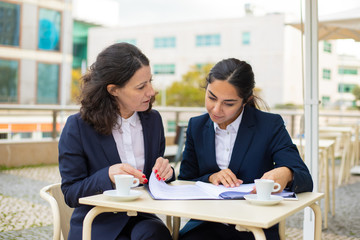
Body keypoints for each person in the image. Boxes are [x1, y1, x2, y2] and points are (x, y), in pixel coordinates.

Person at [178, 58, 313, 240]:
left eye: (229, 103)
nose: (216, 109)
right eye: (211, 97)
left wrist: (286, 173)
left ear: (245, 100)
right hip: (206, 224)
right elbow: (186, 179)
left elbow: (304, 177)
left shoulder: (269, 125)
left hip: (254, 226)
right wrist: (211, 177)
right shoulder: (197, 126)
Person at [58, 43, 175, 240]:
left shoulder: (153, 121)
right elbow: (71, 193)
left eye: (150, 81)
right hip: (98, 223)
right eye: (141, 86)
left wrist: (167, 172)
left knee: (157, 234)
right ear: (113, 90)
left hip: (143, 219)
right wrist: (108, 175)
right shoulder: (78, 127)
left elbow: (154, 179)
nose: (151, 92)